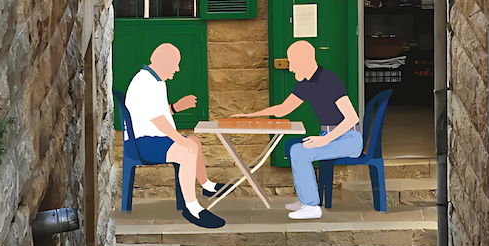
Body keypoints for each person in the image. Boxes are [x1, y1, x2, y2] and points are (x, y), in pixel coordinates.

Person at [232, 40, 362, 220]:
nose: (290, 68)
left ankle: (311, 206)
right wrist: (251, 116)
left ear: (304, 60)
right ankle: (304, 200)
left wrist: (325, 140)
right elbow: (283, 109)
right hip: (330, 136)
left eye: (291, 63)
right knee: (293, 146)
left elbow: (352, 118)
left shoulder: (329, 80)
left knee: (299, 152)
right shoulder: (306, 83)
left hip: (349, 139)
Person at [125, 42, 228, 229]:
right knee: (187, 150)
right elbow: (157, 120)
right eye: (176, 64)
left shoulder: (156, 81)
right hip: (144, 143)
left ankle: (207, 186)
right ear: (164, 62)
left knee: (194, 142)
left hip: (154, 138)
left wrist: (176, 107)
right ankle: (192, 208)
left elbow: (155, 114)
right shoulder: (144, 82)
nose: (178, 69)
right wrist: (179, 139)